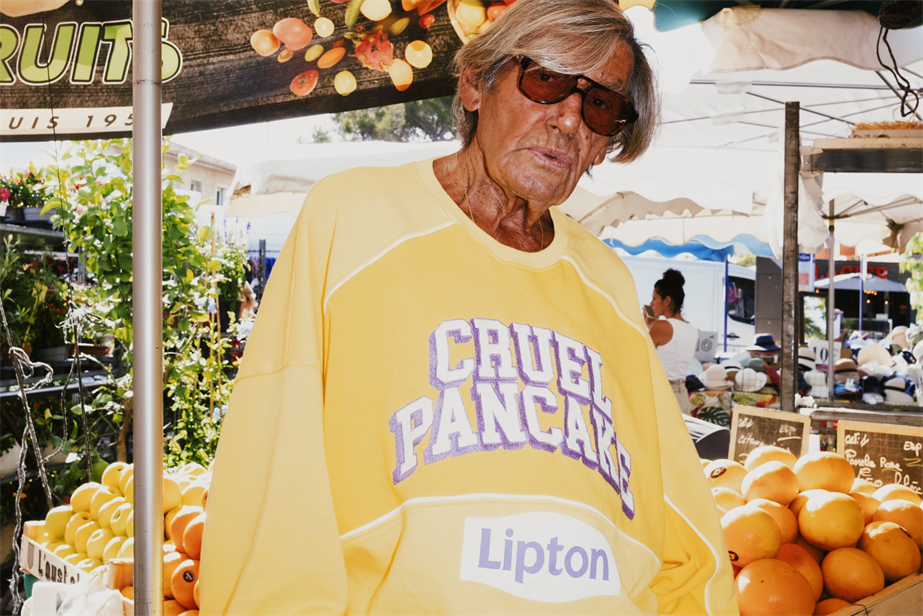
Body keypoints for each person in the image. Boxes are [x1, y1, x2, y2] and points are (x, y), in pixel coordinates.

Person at [200, 1, 736, 614]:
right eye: (546, 79)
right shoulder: (352, 219)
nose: (567, 119)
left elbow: (679, 528)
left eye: (600, 104)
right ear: (476, 82)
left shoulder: (608, 283)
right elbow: (275, 474)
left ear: (606, 143)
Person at [644, 269, 698, 414]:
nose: (651, 303)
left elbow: (641, 357)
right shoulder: (692, 329)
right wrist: (651, 326)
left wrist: (648, 326)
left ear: (667, 300)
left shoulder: (660, 326)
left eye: (654, 298)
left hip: (662, 394)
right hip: (681, 395)